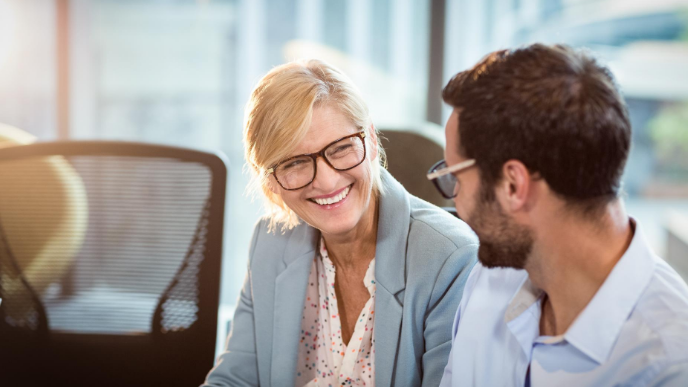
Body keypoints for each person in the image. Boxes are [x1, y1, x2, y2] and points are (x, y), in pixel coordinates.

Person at [203, 59, 478, 387]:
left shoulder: (450, 259)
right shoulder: (270, 243)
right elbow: (235, 378)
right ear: (271, 182)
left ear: (372, 140)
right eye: (295, 162)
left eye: (341, 148)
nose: (327, 181)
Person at [431, 44, 688, 386]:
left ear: (512, 185)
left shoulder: (668, 363)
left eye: (456, 177)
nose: (456, 202)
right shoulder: (489, 281)